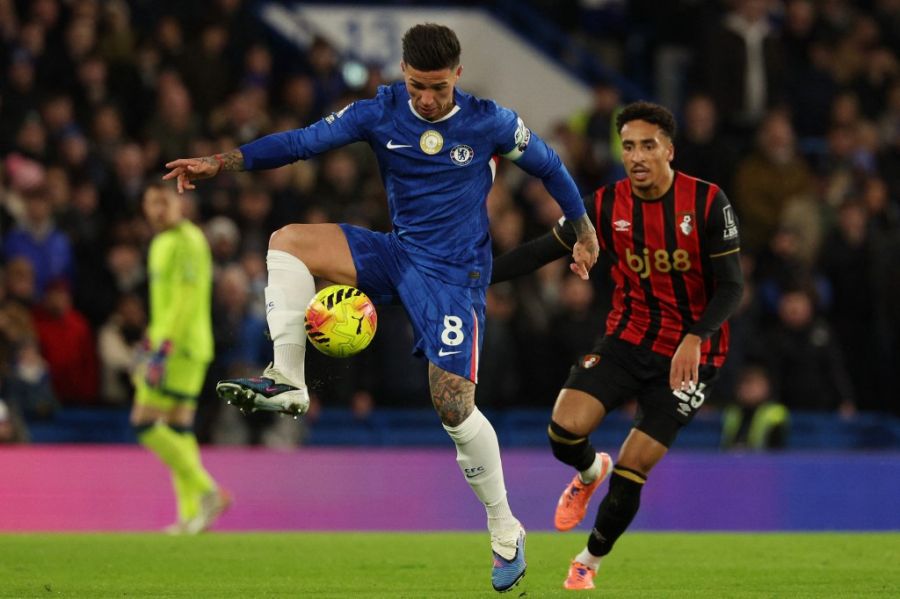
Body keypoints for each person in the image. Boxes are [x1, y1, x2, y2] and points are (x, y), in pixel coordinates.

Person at [162, 23, 598, 592]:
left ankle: (504, 527)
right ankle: (289, 379)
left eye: (438, 87)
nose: (426, 98)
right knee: (286, 241)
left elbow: (550, 167)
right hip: (396, 253)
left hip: (453, 278)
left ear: (457, 76)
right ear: (403, 73)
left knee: (452, 405)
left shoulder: (488, 120)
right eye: (417, 84)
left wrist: (584, 231)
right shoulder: (380, 111)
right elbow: (299, 143)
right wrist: (222, 162)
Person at [491, 101, 743, 590]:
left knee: (634, 466)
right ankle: (589, 471)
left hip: (691, 357)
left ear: (669, 149)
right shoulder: (605, 206)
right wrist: (473, 278)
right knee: (563, 429)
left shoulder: (709, 203)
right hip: (627, 339)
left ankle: (588, 560)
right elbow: (543, 249)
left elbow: (733, 287)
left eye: (648, 145)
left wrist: (696, 336)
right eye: (628, 146)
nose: (638, 156)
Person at [131, 183, 230, 535]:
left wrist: (163, 348)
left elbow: (186, 299)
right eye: (151, 202)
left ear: (180, 203)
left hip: (180, 348)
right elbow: (164, 303)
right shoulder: (160, 243)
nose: (158, 210)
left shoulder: (188, 240)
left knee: (143, 423)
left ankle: (207, 491)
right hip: (174, 345)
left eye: (165, 202)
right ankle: (191, 515)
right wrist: (149, 340)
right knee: (177, 428)